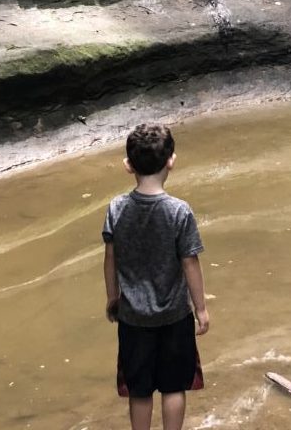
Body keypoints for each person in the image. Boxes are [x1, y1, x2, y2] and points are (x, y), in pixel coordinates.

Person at [103, 123, 210, 430]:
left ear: (128, 166)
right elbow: (190, 262)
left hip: (133, 317)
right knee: (174, 386)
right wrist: (200, 307)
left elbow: (110, 258)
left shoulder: (116, 209)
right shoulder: (179, 212)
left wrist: (113, 298)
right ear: (171, 161)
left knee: (139, 389)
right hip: (174, 316)